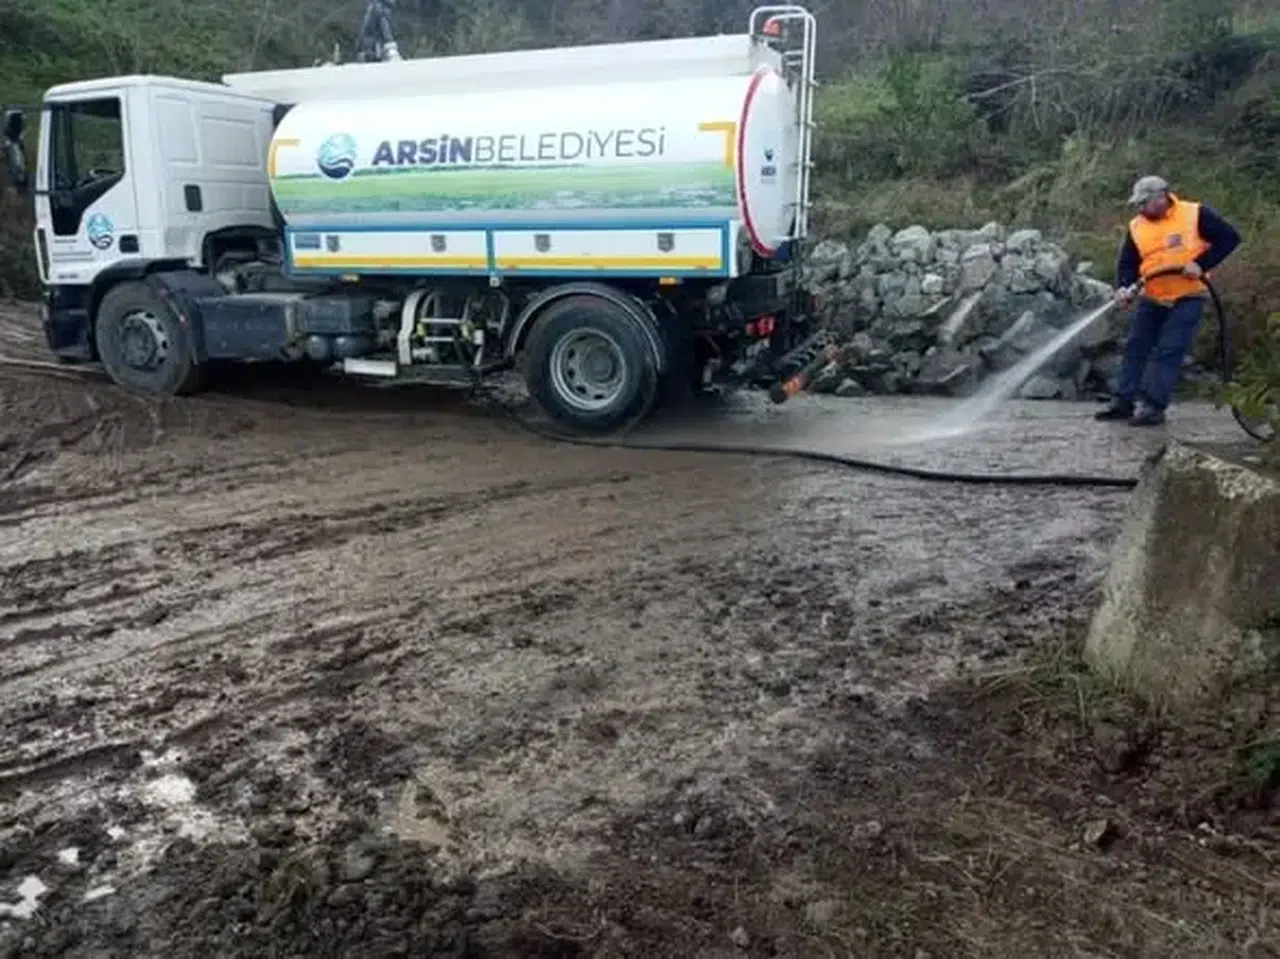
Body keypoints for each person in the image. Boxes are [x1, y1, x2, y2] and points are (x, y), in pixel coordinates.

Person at [1095, 175, 1241, 426]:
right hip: (1153, 296)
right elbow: (1128, 262)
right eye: (1138, 204)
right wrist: (1124, 288)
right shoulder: (1137, 226)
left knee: (1169, 350)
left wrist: (1201, 264)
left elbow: (1230, 238)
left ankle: (1153, 407)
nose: (1140, 208)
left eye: (1144, 203)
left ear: (1162, 197)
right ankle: (1123, 402)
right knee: (1135, 347)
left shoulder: (1194, 214)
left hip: (1188, 296)